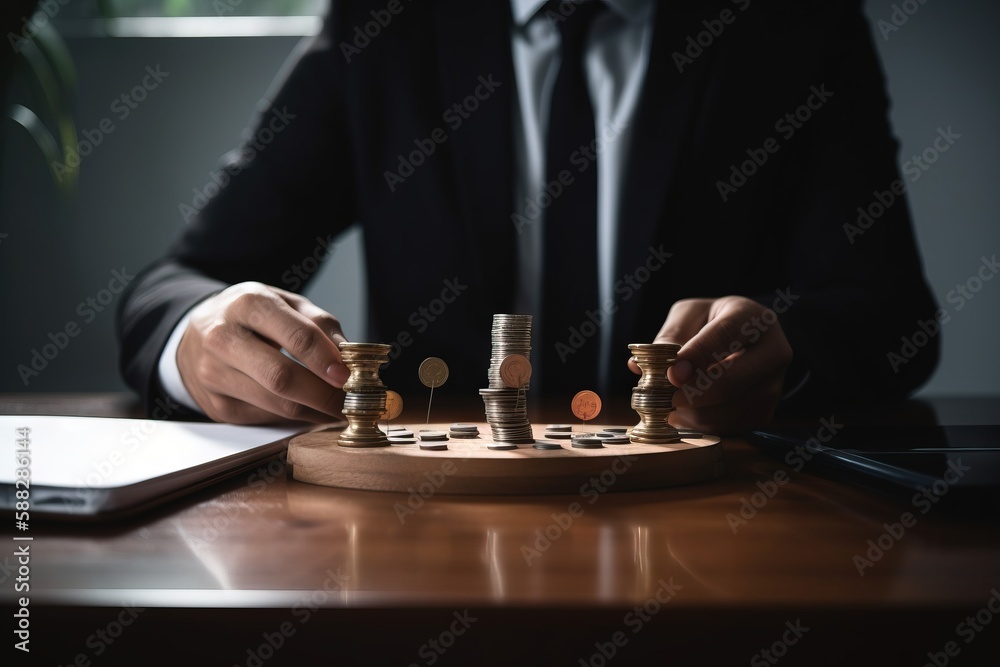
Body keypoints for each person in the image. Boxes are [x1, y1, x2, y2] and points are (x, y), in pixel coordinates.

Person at [117, 0, 940, 434]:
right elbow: (177, 286)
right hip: (427, 528)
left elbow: (889, 316)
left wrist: (783, 350)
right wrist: (199, 334)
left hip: (716, 524)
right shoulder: (385, 25)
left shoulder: (792, 26)